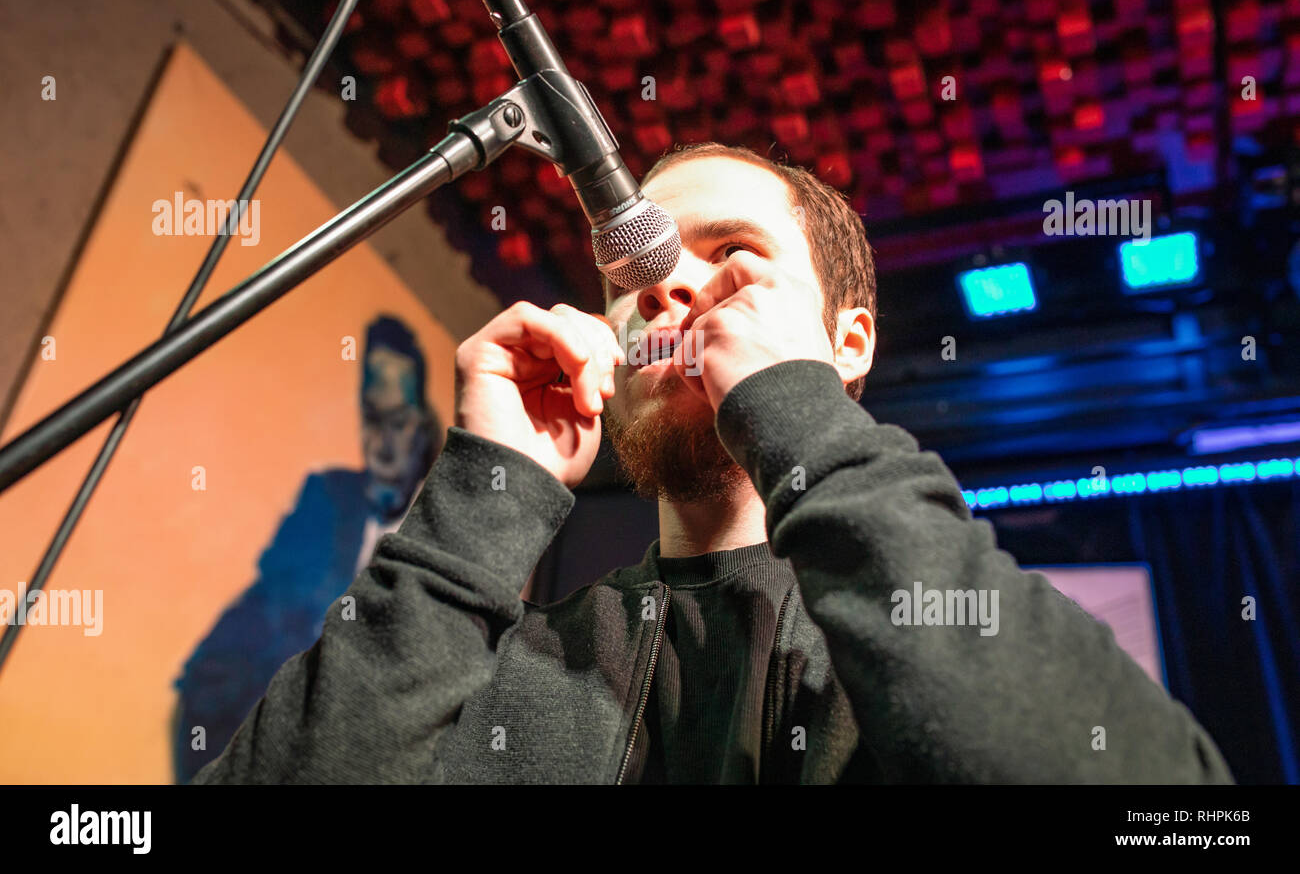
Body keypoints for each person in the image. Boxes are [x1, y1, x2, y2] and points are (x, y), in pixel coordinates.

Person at [193, 143, 1233, 784]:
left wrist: (802, 415)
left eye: (730, 250)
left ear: (849, 341)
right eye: (635, 263)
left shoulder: (929, 630)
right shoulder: (512, 666)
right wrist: (478, 497)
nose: (662, 285)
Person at [174, 316, 439, 782]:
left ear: (424, 429)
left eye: (397, 421)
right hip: (240, 713)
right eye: (372, 419)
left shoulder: (434, 539)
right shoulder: (327, 492)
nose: (380, 441)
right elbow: (281, 600)